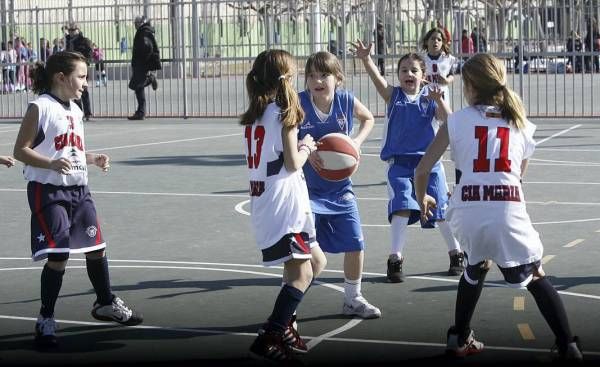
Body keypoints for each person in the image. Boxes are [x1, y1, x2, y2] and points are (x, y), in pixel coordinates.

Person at [414, 53, 583, 361]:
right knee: (536, 275)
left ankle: (458, 337)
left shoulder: (455, 121)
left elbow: (422, 169)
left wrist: (422, 197)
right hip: (506, 209)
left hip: (467, 211)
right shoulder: (521, 123)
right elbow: (519, 176)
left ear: (469, 86)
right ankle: (568, 345)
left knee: (475, 266)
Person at [12, 51, 143, 349]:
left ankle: (105, 302)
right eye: (81, 76)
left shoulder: (76, 109)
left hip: (79, 190)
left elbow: (69, 151)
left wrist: (93, 157)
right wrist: (50, 164)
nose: (86, 83)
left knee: (97, 248)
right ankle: (46, 319)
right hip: (48, 190)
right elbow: (21, 150)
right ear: (61, 77)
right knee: (59, 256)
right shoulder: (40, 107)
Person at [351, 39, 465, 282]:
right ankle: (396, 257)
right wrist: (366, 59)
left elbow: (450, 121)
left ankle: (456, 253)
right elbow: (377, 80)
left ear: (423, 75)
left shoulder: (430, 97)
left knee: (441, 209)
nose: (408, 74)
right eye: (404, 70)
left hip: (430, 164)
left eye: (414, 70)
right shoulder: (393, 96)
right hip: (400, 165)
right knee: (401, 207)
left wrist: (439, 100)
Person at [240, 49, 327, 362]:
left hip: (274, 199)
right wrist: (306, 145)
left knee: (316, 263)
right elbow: (292, 162)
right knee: (301, 274)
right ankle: (270, 334)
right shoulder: (283, 111)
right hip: (282, 204)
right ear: (287, 79)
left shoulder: (256, 114)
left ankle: (285, 324)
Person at [298, 51, 381, 318]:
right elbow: (283, 139)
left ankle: (352, 298)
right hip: (307, 191)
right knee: (305, 254)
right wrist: (303, 149)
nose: (317, 80)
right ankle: (290, 304)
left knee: (356, 243)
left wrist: (355, 142)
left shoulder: (345, 100)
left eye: (324, 75)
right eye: (311, 75)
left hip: (340, 188)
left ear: (338, 79)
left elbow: (368, 118)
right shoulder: (299, 104)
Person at [128, 15, 160, 121]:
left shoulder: (144, 32)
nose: (135, 25)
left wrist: (142, 60)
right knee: (138, 86)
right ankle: (140, 112)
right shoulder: (144, 31)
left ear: (141, 23)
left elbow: (147, 47)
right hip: (140, 63)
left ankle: (150, 79)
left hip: (141, 63)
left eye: (136, 23)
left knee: (137, 85)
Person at [65, 22, 93, 120]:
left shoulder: (84, 41)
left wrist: (84, 63)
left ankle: (88, 113)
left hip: (81, 68)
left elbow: (89, 54)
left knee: (83, 91)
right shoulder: (67, 41)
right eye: (69, 30)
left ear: (78, 30)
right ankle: (79, 112)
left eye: (73, 30)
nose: (71, 32)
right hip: (71, 68)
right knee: (74, 91)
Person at [422, 27, 457, 103]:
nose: (436, 41)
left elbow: (451, 75)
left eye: (439, 39)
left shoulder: (448, 59)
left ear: (443, 43)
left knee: (443, 114)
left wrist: (447, 81)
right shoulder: (421, 59)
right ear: (426, 41)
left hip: (442, 95)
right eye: (433, 38)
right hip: (426, 95)